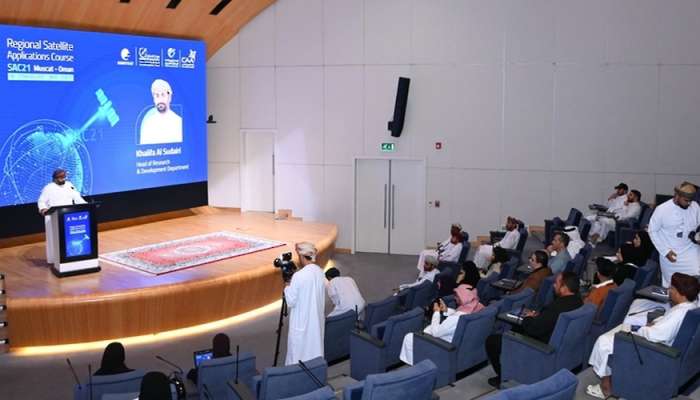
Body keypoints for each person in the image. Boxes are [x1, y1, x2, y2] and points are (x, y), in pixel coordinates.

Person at [586, 273, 700, 399]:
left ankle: (606, 388)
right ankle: (619, 379)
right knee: (622, 328)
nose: (669, 290)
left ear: (681, 293)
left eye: (672, 288)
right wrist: (655, 323)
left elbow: (656, 335)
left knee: (603, 341)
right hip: (664, 345)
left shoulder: (679, 313)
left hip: (654, 350)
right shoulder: (692, 307)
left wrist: (643, 329)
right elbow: (666, 326)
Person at [485, 272, 583, 387]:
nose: (554, 285)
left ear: (564, 288)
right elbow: (548, 320)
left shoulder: (557, 306)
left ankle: (504, 377)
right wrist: (540, 316)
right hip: (560, 345)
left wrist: (528, 318)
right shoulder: (578, 302)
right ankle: (515, 367)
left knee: (492, 341)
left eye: (557, 283)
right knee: (515, 329)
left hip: (539, 347)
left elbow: (534, 329)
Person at [399, 285, 484, 365]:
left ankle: (414, 365)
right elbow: (459, 314)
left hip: (444, 344)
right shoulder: (478, 307)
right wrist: (446, 310)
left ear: (464, 298)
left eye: (457, 296)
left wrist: (436, 312)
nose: (455, 298)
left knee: (409, 337)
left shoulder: (456, 318)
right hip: (462, 341)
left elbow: (436, 332)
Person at [649, 182, 700, 287]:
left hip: (691, 251)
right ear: (677, 195)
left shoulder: (695, 206)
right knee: (673, 285)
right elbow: (652, 231)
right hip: (671, 254)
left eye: (690, 201)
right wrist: (665, 251)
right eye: (686, 200)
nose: (689, 203)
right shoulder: (662, 209)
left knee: (695, 281)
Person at [284, 242, 326, 365]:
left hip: (301, 322)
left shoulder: (298, 276)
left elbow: (291, 301)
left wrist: (287, 286)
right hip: (316, 320)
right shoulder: (320, 271)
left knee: (298, 353)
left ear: (302, 256)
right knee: (315, 349)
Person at [37, 169, 87, 263]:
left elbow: (77, 198)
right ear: (54, 178)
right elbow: (41, 201)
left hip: (68, 217)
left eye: (64, 177)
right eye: (60, 177)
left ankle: (69, 256)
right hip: (53, 217)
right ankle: (55, 259)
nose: (63, 179)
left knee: (68, 238)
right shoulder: (48, 188)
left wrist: (87, 206)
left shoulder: (69, 185)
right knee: (55, 239)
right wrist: (43, 209)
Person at [139, 78, 183, 145]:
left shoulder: (178, 122)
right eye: (157, 96)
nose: (160, 99)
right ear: (154, 99)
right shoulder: (148, 124)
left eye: (163, 95)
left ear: (169, 97)